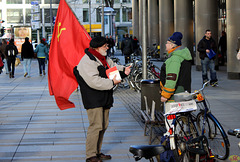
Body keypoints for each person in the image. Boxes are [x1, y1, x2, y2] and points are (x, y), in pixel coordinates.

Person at [74, 36, 131, 162]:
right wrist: (112, 83)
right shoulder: (87, 61)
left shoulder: (102, 58)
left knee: (103, 126)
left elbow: (112, 67)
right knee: (96, 126)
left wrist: (123, 69)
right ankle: (91, 155)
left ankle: (97, 152)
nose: (107, 47)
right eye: (105, 46)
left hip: (104, 97)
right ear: (97, 47)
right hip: (93, 98)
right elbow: (94, 81)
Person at [160, 32, 192, 103]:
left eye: (167, 43)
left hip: (175, 96)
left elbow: (171, 78)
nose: (165, 44)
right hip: (183, 91)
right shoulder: (182, 56)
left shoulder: (175, 59)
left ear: (172, 45)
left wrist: (165, 95)